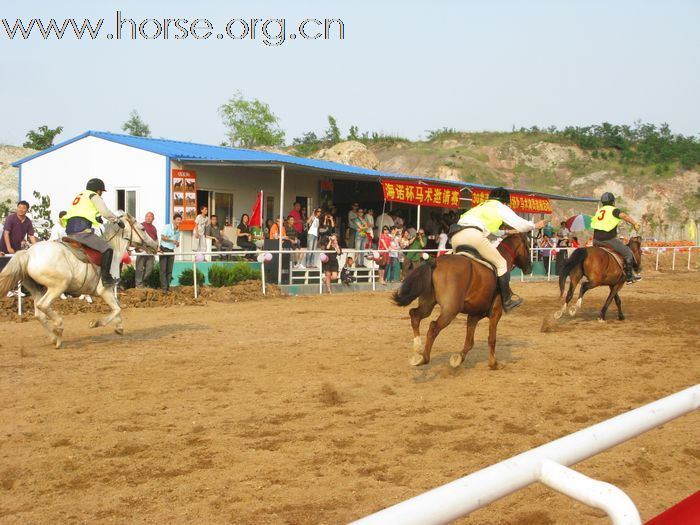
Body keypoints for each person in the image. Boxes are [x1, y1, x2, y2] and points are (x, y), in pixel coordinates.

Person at [451, 187, 545, 311]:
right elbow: (521, 224)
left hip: (455, 238)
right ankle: (507, 301)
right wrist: (535, 225)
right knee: (501, 264)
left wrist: (507, 232)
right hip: (473, 237)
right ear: (505, 202)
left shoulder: (479, 207)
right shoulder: (500, 207)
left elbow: (490, 230)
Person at [60, 179, 121, 287]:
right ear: (98, 190)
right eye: (101, 191)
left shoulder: (80, 195)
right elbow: (105, 212)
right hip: (82, 231)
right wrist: (117, 220)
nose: (101, 193)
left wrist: (97, 219)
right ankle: (106, 278)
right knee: (107, 249)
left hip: (70, 230)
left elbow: (82, 212)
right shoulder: (94, 196)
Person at [591, 192, 642, 283]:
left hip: (596, 240)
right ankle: (629, 277)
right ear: (612, 202)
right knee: (628, 252)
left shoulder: (599, 211)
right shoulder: (613, 210)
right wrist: (635, 223)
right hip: (608, 240)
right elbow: (624, 216)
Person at [159, 213, 182, 293]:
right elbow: (163, 237)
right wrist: (172, 240)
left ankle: (167, 287)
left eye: (180, 220)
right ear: (174, 220)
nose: (178, 221)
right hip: (164, 249)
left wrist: (177, 243)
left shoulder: (178, 231)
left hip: (171, 250)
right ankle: (164, 288)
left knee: (169, 270)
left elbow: (175, 242)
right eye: (177, 219)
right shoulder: (167, 227)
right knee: (163, 270)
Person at [135, 212, 158, 288]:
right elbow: (136, 237)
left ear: (153, 219)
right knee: (139, 269)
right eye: (147, 216)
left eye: (150, 216)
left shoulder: (154, 228)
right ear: (145, 217)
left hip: (150, 252)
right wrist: (138, 247)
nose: (148, 218)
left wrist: (157, 248)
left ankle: (143, 282)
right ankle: (138, 285)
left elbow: (156, 239)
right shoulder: (140, 226)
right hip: (142, 250)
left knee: (149, 269)